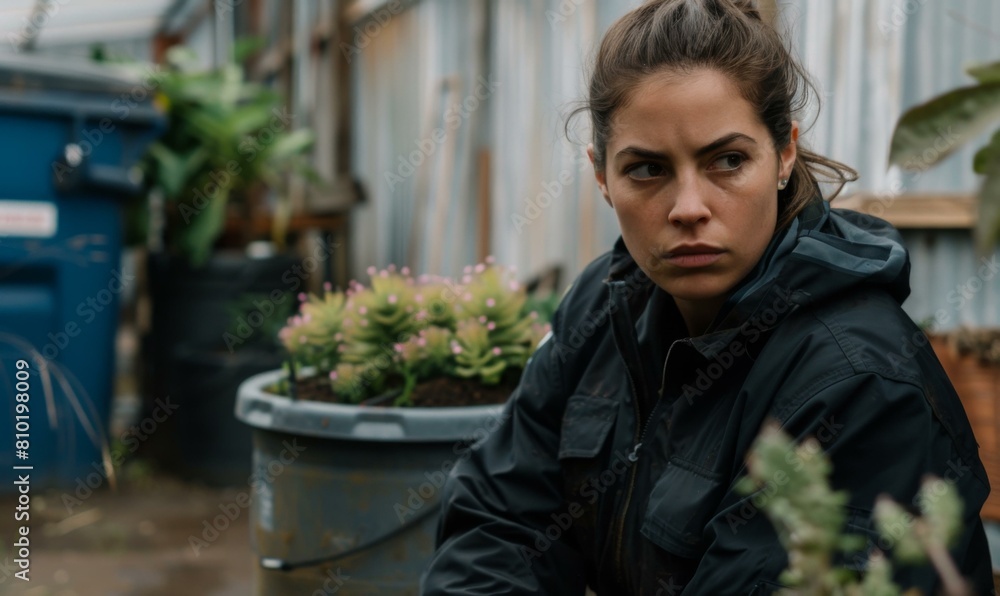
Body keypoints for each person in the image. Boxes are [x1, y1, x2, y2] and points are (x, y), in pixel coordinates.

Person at [421, 0, 994, 594]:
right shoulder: (602, 305)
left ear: (784, 154)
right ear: (600, 176)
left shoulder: (859, 381)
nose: (688, 207)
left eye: (727, 160)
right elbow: (495, 526)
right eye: (646, 169)